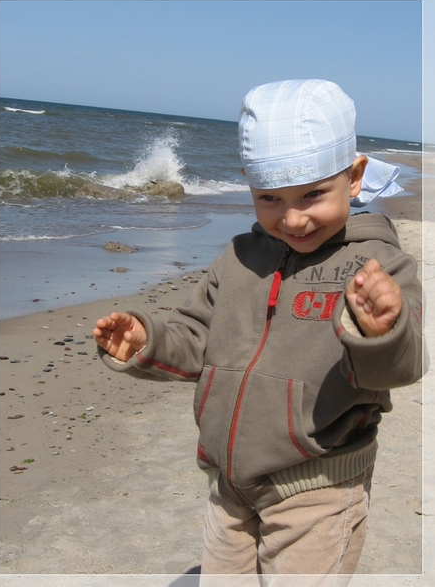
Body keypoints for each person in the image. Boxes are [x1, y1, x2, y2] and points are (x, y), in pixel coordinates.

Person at [93, 79, 425, 586]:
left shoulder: (376, 266)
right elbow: (198, 336)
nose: (292, 218)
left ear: (354, 178)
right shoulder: (238, 258)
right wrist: (148, 342)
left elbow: (405, 363)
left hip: (318, 487)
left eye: (313, 194)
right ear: (249, 184)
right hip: (229, 485)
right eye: (269, 198)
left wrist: (382, 329)